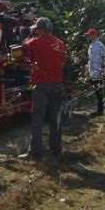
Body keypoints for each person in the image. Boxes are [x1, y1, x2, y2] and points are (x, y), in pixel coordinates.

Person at [19, 17, 67, 160]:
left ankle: (36, 152)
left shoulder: (33, 43)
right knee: (55, 118)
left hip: (40, 85)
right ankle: (56, 149)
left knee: (38, 119)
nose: (36, 31)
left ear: (40, 29)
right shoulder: (60, 43)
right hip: (57, 84)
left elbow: (22, 59)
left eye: (36, 29)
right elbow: (62, 64)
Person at [85, 28, 105, 115]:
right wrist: (87, 70)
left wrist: (101, 71)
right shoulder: (91, 46)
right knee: (96, 91)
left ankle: (100, 110)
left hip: (98, 71)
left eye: (89, 35)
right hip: (92, 71)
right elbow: (90, 59)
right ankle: (98, 109)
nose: (88, 37)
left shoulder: (100, 45)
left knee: (99, 92)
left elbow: (104, 58)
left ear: (94, 35)